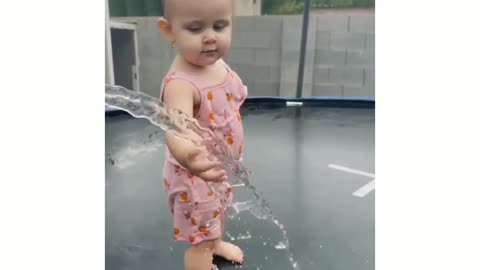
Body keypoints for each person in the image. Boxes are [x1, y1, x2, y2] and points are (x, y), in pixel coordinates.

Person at [157, 0, 248, 269]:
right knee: (201, 239)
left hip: (216, 169)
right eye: (195, 29)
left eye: (220, 26)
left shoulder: (215, 63)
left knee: (219, 211)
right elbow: (177, 131)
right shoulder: (181, 84)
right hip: (193, 177)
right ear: (169, 31)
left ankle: (216, 243)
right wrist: (191, 156)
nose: (210, 37)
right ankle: (202, 256)